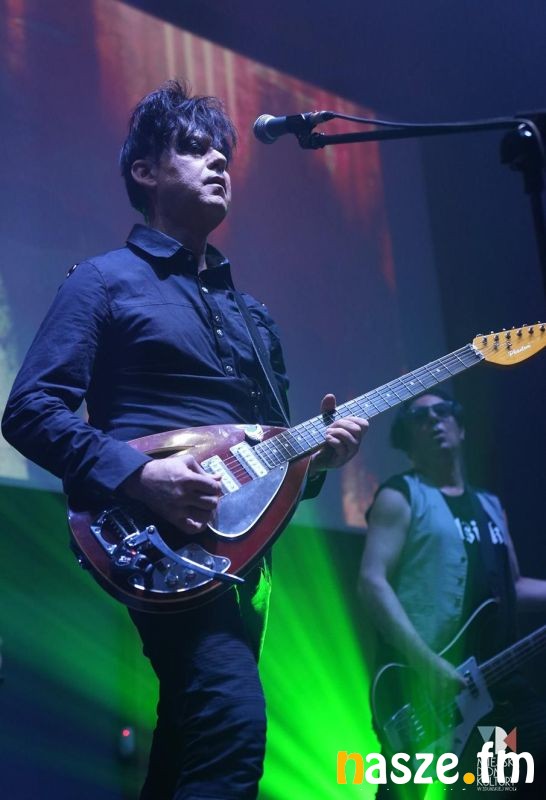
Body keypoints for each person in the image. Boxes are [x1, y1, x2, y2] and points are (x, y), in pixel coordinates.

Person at [2, 80, 368, 800]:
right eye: (196, 149)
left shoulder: (254, 316)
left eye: (223, 153)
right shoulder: (103, 282)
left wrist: (322, 460)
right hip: (153, 543)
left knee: (187, 740)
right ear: (145, 171)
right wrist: (142, 477)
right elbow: (30, 410)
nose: (219, 162)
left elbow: (274, 462)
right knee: (231, 730)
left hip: (242, 558)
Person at [358, 390, 546, 797]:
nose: (433, 421)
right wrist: (427, 664)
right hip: (422, 687)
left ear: (461, 428)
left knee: (494, 789)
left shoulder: (490, 505)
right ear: (406, 440)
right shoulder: (400, 495)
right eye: (419, 418)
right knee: (405, 792)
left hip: (496, 688)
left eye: (443, 413)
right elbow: (372, 583)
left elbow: (512, 588)